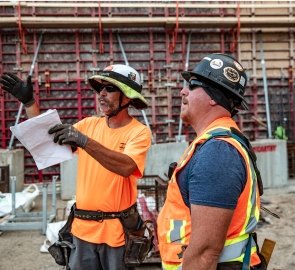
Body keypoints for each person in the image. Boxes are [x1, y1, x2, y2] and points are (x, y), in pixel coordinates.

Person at [0, 64, 152, 270]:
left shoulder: (139, 132)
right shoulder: (89, 125)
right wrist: (29, 103)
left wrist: (85, 142)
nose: (102, 94)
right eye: (100, 89)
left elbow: (126, 166)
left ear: (128, 97)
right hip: (81, 231)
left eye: (109, 88)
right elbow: (47, 142)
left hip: (117, 233)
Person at [157, 53, 267, 270]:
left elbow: (205, 252)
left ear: (214, 97)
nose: (183, 91)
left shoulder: (217, 152)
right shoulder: (216, 143)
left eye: (192, 85)